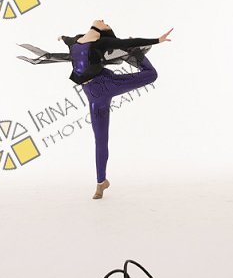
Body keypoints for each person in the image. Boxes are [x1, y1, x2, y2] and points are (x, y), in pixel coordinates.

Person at [56, 20, 173, 199]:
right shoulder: (76, 40)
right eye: (103, 21)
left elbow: (128, 42)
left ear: (102, 30)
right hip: (93, 96)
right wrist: (62, 37)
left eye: (106, 23)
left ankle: (138, 55)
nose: (103, 20)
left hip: (107, 84)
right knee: (100, 139)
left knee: (151, 74)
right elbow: (68, 39)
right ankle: (101, 182)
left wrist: (157, 40)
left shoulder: (102, 43)